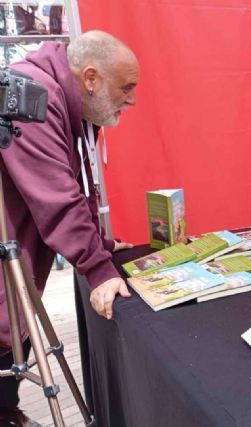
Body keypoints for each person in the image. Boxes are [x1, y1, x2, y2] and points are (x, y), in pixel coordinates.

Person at [1, 31, 139, 424]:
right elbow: (57, 197)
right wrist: (97, 267)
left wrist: (100, 244)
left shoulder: (55, 91)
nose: (131, 99)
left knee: (14, 327)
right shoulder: (33, 93)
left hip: (18, 259)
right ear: (91, 78)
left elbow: (74, 188)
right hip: (6, 260)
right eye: (126, 87)